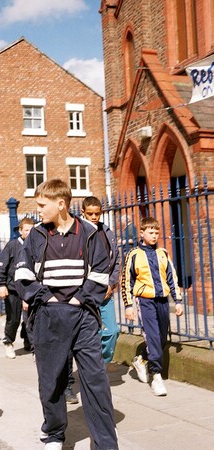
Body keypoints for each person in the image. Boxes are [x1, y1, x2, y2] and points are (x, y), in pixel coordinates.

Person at [15, 179, 118, 450]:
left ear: (61, 204)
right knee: (52, 380)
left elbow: (100, 272)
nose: (38, 210)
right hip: (48, 315)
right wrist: (46, 298)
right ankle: (54, 433)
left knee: (95, 380)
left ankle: (106, 443)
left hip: (82, 315)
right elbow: (23, 274)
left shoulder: (89, 232)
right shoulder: (36, 235)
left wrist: (79, 299)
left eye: (42, 205)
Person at [121, 216, 184, 396]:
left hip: (162, 301)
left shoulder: (163, 253)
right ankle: (156, 375)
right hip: (145, 300)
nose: (154, 235)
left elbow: (172, 277)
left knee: (162, 337)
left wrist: (177, 300)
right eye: (151, 232)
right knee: (153, 336)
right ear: (142, 233)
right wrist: (128, 305)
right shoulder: (133, 254)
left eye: (157, 232)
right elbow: (126, 281)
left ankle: (141, 359)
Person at [82, 196, 121, 363]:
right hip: (86, 291)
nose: (93, 217)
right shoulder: (79, 234)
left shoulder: (107, 232)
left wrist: (111, 284)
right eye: (90, 213)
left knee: (112, 331)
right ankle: (92, 367)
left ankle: (102, 362)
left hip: (106, 290)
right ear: (83, 213)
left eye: (97, 213)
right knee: (91, 331)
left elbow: (116, 259)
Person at [0, 217, 34, 359]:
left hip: (30, 289)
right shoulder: (12, 246)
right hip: (13, 290)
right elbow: (1, 266)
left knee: (30, 319)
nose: (29, 233)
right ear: (21, 231)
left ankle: (31, 343)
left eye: (32, 230)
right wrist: (1, 284)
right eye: (26, 230)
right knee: (14, 319)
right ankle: (9, 341)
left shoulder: (36, 246)